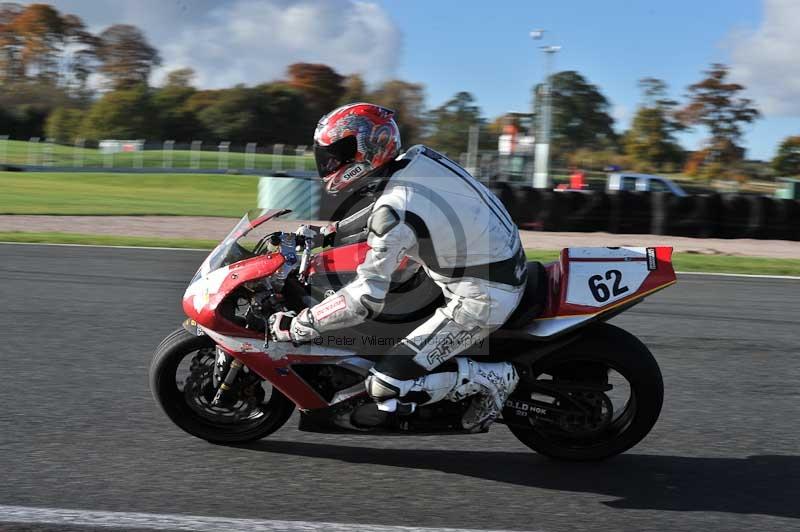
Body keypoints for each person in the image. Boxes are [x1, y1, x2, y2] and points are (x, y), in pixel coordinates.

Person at [269, 103, 527, 431]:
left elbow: (363, 299)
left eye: (338, 152)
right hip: (486, 262)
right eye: (326, 154)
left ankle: (495, 378)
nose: (330, 163)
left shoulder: (395, 206)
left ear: (367, 148)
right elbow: (387, 211)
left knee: (385, 385)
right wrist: (330, 233)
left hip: (482, 296)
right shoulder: (418, 159)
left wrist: (302, 325)